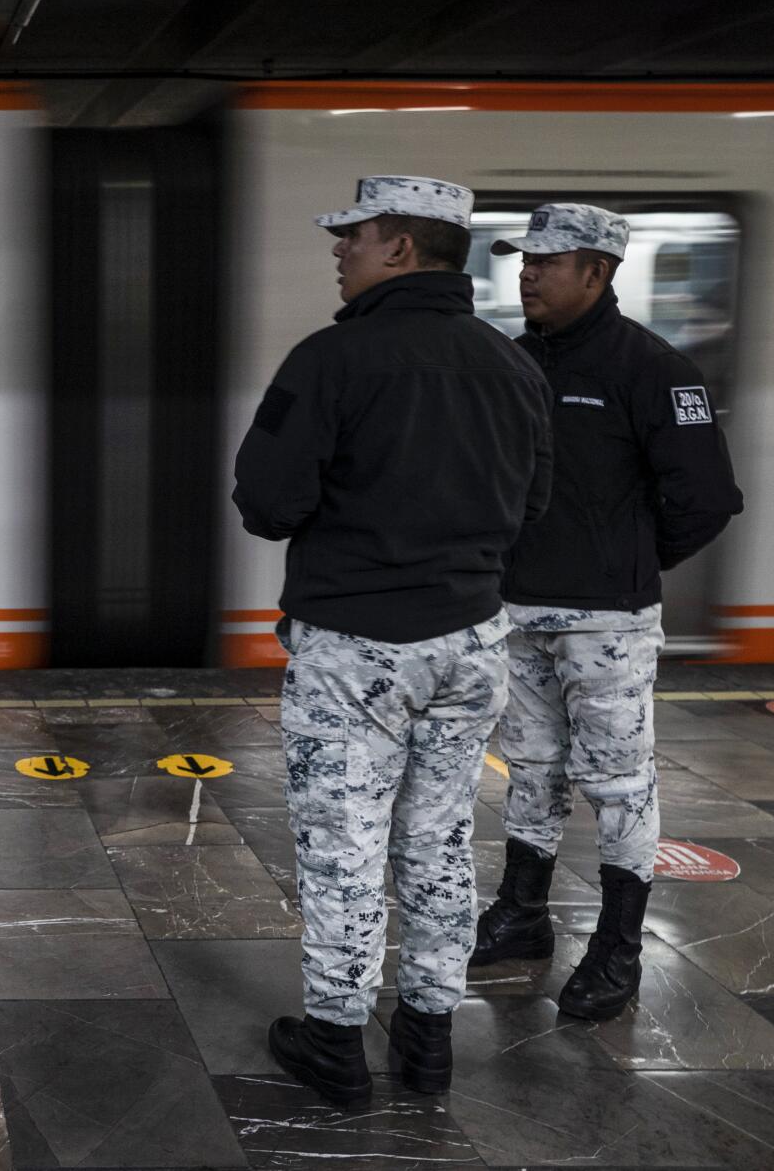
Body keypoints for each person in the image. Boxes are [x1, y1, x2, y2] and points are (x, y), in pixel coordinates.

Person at [233, 176, 553, 1103]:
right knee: (440, 834)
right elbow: (531, 507)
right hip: (471, 643)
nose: (341, 251)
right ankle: (428, 1035)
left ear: (403, 248)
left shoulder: (331, 359)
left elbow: (267, 504)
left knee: (344, 841)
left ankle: (336, 1038)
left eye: (355, 237)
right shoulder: (515, 366)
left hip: (355, 646)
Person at [471, 203, 742, 1020]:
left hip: (608, 621)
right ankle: (522, 916)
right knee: (533, 770)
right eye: (524, 259)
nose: (528, 272)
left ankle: (617, 950)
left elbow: (707, 500)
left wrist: (624, 562)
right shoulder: (513, 363)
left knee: (620, 785)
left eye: (548, 262)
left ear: (597, 272)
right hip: (519, 610)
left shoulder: (658, 370)